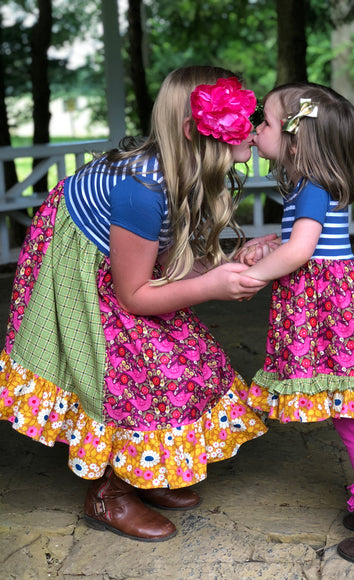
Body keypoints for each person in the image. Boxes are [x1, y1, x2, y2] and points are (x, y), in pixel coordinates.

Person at [0, 65, 268, 542]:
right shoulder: (142, 189)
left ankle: (144, 471)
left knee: (196, 359)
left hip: (124, 267)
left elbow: (163, 261)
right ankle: (110, 494)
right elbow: (136, 295)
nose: (254, 125)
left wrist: (225, 267)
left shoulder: (177, 171)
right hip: (81, 273)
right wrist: (212, 286)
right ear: (195, 131)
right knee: (138, 371)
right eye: (242, 119)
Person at [236, 82, 354, 563]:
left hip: (326, 314)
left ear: (295, 139)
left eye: (267, 123)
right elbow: (302, 238)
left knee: (349, 411)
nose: (256, 130)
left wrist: (251, 277)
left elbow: (303, 249)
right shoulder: (312, 184)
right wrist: (271, 240)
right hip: (341, 308)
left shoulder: (311, 187)